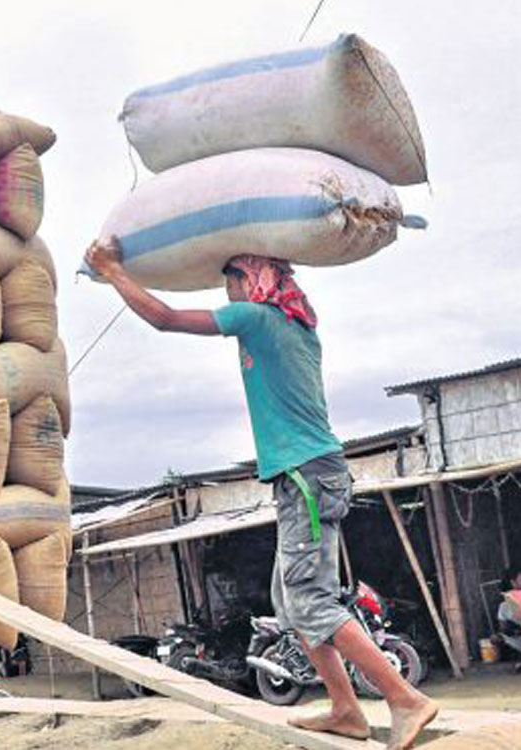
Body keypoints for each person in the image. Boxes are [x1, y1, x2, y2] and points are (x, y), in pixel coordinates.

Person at [85, 239, 437, 750]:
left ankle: (405, 700)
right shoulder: (295, 327)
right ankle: (345, 709)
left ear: (250, 282)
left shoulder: (256, 318)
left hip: (305, 477)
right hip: (309, 476)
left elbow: (164, 318)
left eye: (230, 279)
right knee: (289, 604)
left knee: (312, 601)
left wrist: (112, 269)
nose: (226, 291)